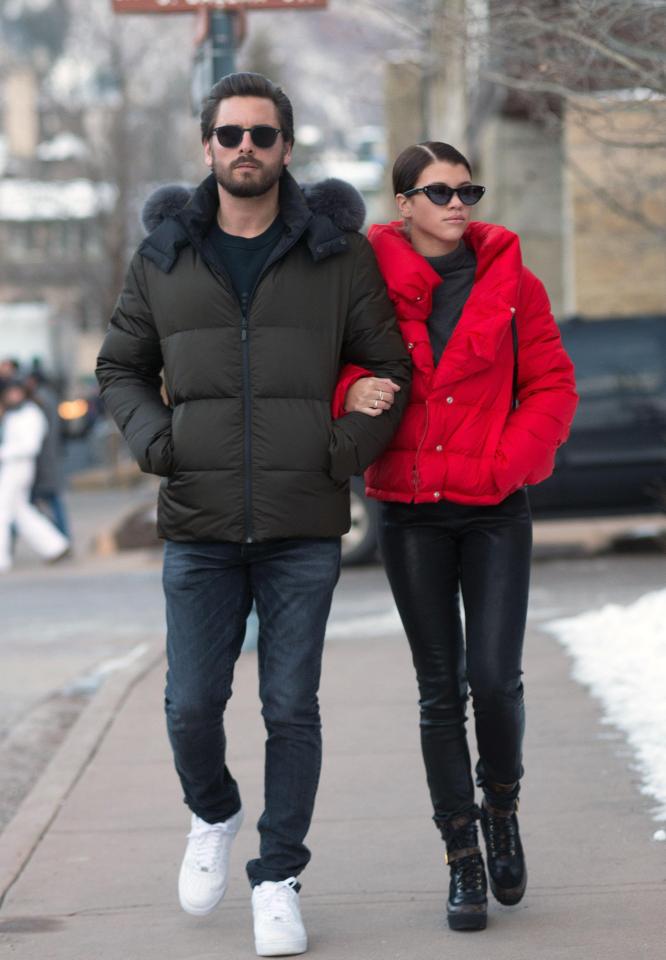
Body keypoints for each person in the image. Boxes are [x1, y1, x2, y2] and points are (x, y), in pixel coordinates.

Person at [96, 72, 409, 957]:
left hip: (301, 525)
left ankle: (278, 878)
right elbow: (118, 366)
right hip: (198, 522)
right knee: (192, 705)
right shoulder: (162, 254)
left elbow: (391, 368)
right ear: (207, 147)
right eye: (230, 134)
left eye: (262, 136)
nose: (245, 148)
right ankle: (215, 813)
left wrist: (334, 451)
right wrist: (161, 445)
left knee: (289, 707)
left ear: (285, 147)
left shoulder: (335, 255)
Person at [337, 141, 578, 932]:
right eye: (437, 191)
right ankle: (462, 857)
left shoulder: (513, 282)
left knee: (495, 675)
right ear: (401, 202)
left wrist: (509, 463)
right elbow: (330, 365)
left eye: (466, 188)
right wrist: (352, 388)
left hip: (494, 506)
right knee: (439, 689)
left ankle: (500, 804)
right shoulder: (363, 281)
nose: (456, 203)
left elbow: (550, 382)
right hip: (410, 510)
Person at [0, 379, 70, 573]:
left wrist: (3, 452)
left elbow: (30, 445)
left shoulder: (30, 413)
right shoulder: (14, 413)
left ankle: (1, 559)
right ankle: (54, 546)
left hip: (19, 466)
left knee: (3, 512)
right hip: (12, 466)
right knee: (20, 511)